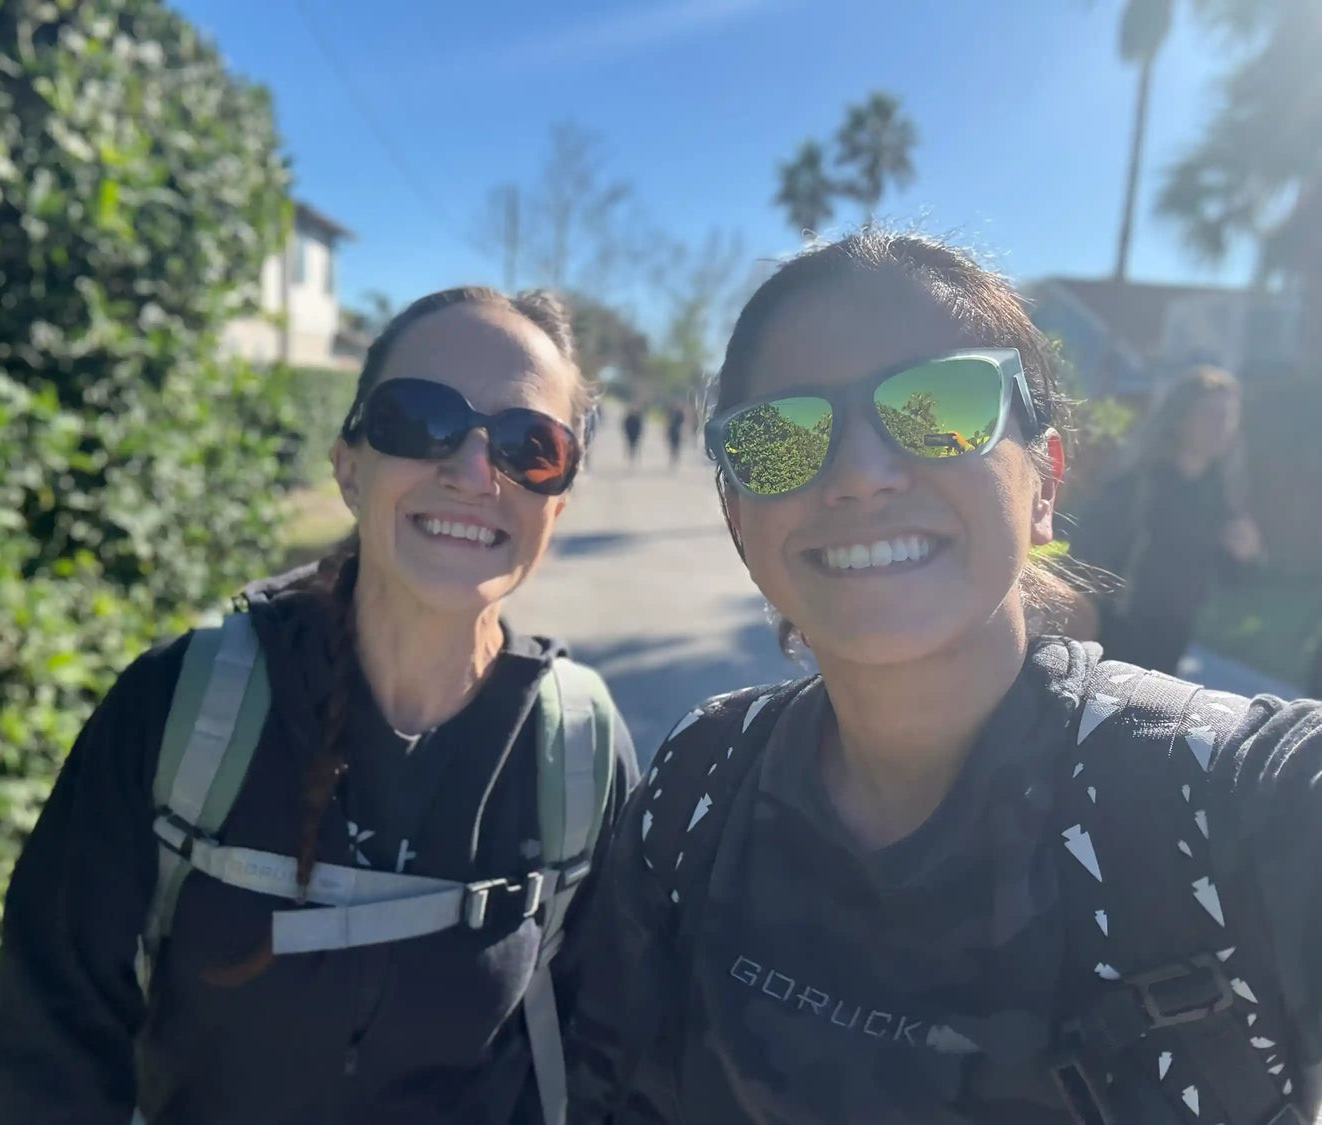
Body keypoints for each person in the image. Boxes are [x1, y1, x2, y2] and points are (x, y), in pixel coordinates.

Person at [564, 231, 1322, 1125]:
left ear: (1044, 479)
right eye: (779, 437)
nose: (860, 474)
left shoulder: (1233, 796)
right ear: (737, 511)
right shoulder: (698, 781)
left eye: (938, 404)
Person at [0, 286, 639, 1125]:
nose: (476, 473)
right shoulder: (181, 708)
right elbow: (54, 1038)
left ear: (557, 501)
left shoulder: (579, 752)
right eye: (420, 418)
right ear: (348, 465)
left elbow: (611, 1061)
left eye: (531, 445)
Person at [1071, 365, 1263, 673]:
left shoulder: (1222, 499)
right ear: (1179, 417)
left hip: (1173, 637)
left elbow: (1233, 581)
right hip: (1118, 632)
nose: (1220, 426)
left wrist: (1245, 557)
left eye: (1228, 417)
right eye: (1209, 414)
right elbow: (1088, 553)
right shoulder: (1139, 485)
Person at [665, 401, 687, 468]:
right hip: (672, 431)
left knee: (677, 447)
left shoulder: (680, 413)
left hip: (678, 431)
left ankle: (676, 460)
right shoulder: (670, 412)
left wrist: (684, 432)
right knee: (672, 447)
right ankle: (672, 460)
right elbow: (667, 422)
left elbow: (683, 423)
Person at [622, 401, 646, 466]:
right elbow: (625, 424)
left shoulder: (639, 415)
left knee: (635, 445)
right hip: (630, 433)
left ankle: (634, 456)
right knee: (630, 445)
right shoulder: (629, 416)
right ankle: (630, 455)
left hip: (636, 433)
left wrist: (640, 433)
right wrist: (626, 432)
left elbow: (641, 425)